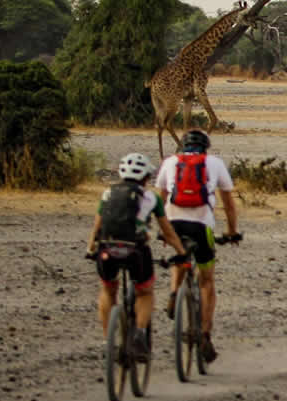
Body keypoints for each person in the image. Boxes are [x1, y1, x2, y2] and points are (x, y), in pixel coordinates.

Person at [88, 153, 191, 354]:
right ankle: (140, 334)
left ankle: (109, 340)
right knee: (144, 292)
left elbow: (97, 225)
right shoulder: (151, 197)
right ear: (145, 177)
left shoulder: (108, 193)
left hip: (107, 249)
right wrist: (181, 252)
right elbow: (168, 232)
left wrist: (90, 247)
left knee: (108, 290)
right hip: (135, 251)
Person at [154, 129, 240, 364]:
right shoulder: (214, 163)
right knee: (207, 280)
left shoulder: (170, 162)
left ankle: (173, 293)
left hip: (174, 225)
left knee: (180, 255)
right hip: (202, 226)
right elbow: (229, 205)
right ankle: (204, 335)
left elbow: (159, 199)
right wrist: (232, 232)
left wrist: (162, 230)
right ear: (206, 147)